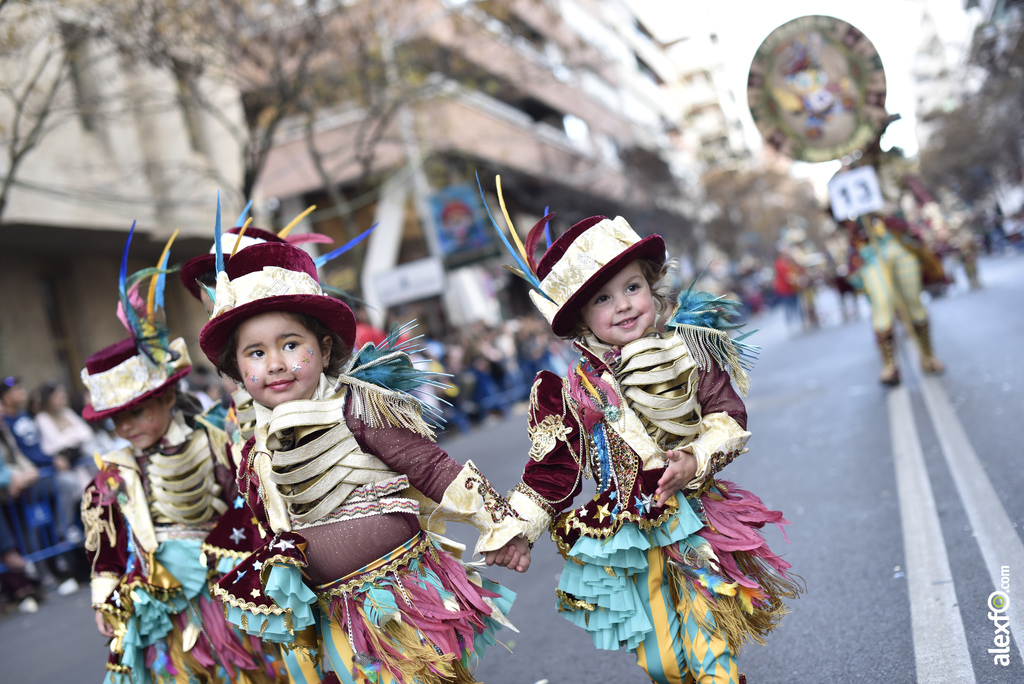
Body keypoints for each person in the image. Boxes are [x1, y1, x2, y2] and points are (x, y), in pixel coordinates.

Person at [488, 210, 801, 684]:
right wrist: (517, 531)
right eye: (603, 298)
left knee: (709, 647)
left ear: (652, 288)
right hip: (624, 537)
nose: (624, 305)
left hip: (695, 519)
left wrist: (695, 458)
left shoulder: (691, 347)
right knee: (665, 664)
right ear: (580, 317)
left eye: (633, 288)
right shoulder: (571, 390)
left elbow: (727, 417)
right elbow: (551, 473)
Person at [196, 240, 530, 683]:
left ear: (326, 348)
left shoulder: (357, 407)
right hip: (332, 615)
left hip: (403, 596)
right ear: (237, 372)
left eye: (291, 345)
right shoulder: (255, 452)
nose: (275, 363)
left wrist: (500, 524)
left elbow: (431, 467)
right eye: (255, 353)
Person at [80, 232, 288, 683]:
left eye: (138, 411)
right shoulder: (112, 475)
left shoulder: (216, 436)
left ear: (168, 397)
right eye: (117, 419)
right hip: (161, 602)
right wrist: (105, 596)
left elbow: (248, 499)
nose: (128, 426)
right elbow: (109, 550)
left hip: (231, 581)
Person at [1, 377, 84, 546]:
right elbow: (18, 453)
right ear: (6, 397)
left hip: (37, 474)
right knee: (32, 528)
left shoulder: (24, 416)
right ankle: (39, 566)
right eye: (17, 390)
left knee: (44, 520)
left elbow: (29, 449)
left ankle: (64, 534)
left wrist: (36, 467)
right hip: (24, 481)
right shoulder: (6, 424)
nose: (22, 392)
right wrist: (20, 474)